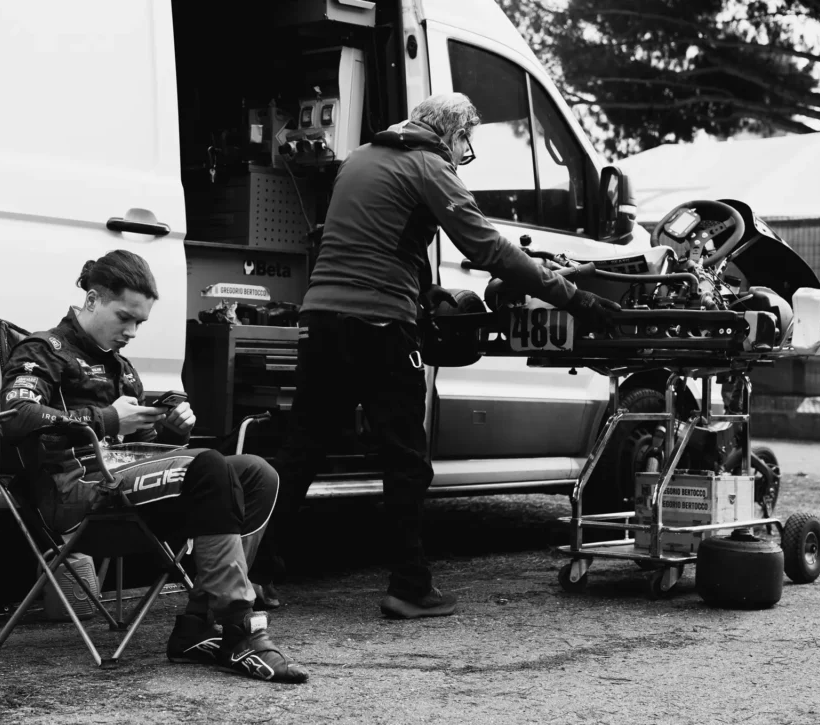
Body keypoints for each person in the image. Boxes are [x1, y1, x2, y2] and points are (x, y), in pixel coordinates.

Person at [251, 92, 620, 619]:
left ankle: (255, 571)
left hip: (321, 317)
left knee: (303, 450)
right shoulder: (428, 164)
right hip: (380, 323)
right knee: (405, 459)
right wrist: (575, 299)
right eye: (466, 141)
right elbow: (487, 248)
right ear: (453, 131)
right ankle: (410, 586)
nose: (464, 153)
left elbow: (370, 235)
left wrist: (421, 291)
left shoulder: (358, 159)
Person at [0, 249, 307, 684]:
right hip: (77, 497)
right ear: (92, 300)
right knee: (209, 466)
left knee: (257, 472)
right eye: (124, 317)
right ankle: (239, 629)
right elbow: (15, 417)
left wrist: (172, 430)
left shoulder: (122, 369)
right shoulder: (43, 350)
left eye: (139, 323)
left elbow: (143, 450)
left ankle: (198, 623)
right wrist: (109, 419)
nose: (131, 332)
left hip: (127, 494)